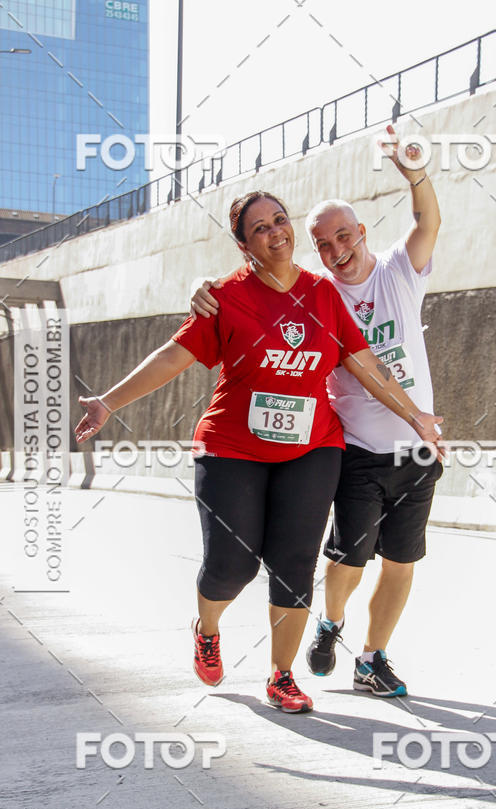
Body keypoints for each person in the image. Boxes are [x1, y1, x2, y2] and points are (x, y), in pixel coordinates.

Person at [75, 189, 443, 714]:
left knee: (295, 563)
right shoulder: (225, 297)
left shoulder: (323, 294)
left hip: (312, 448)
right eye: (260, 228)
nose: (275, 232)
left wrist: (415, 416)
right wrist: (109, 402)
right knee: (233, 565)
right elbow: (173, 355)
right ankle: (207, 628)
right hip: (233, 448)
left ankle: (281, 676)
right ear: (244, 245)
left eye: (279, 220)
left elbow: (364, 362)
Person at [189, 128, 442, 700]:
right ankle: (328, 623)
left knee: (401, 561)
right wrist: (201, 287)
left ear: (362, 232)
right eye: (323, 244)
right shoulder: (316, 292)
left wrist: (416, 176)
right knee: (344, 559)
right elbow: (259, 286)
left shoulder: (398, 271)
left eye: (344, 237)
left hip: (416, 450)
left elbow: (427, 222)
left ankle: (369, 659)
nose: (337, 250)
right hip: (351, 449)